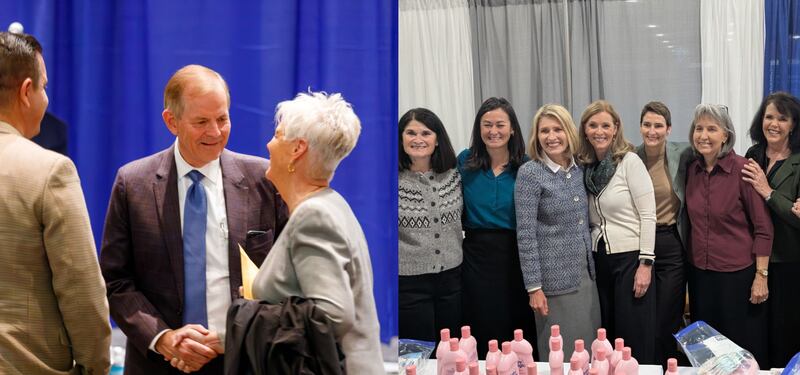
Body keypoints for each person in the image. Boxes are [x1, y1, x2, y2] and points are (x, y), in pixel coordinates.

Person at [100, 64, 288, 374]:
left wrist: (233, 336)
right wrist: (163, 338)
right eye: (201, 121)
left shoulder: (264, 180)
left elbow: (289, 279)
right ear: (171, 121)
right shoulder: (133, 184)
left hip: (244, 361)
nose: (215, 132)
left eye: (222, 119)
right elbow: (116, 281)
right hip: (159, 363)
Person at [0, 31, 111, 374]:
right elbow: (81, 289)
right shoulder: (50, 171)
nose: (46, 99)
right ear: (25, 91)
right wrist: (95, 365)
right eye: (44, 87)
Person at [251, 91, 384, 373]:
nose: (269, 144)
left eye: (277, 135)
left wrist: (249, 315)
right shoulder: (330, 205)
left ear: (297, 149)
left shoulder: (314, 215)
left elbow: (333, 315)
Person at [685, 104, 772, 366]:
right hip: (700, 274)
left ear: (725, 135)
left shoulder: (743, 170)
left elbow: (763, 228)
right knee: (707, 351)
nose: (704, 135)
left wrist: (761, 276)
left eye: (712, 129)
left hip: (737, 276)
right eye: (699, 128)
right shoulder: (692, 170)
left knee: (738, 350)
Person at [515, 104, 600, 357]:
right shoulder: (530, 174)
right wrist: (533, 287)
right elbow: (525, 235)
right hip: (552, 285)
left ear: (569, 132)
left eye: (558, 129)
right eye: (544, 131)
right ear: (536, 136)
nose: (551, 137)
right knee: (559, 354)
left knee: (590, 347)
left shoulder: (580, 168)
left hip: (586, 278)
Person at [576, 100, 657, 363]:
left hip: (630, 259)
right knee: (606, 335)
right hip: (599, 259)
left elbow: (648, 215)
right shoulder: (585, 167)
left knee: (632, 334)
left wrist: (645, 264)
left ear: (615, 129)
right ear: (585, 130)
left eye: (605, 126)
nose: (599, 131)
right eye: (593, 125)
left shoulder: (629, 161)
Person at [458, 97, 534, 357]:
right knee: (481, 325)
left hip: (516, 256)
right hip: (476, 256)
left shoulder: (526, 166)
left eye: (500, 124)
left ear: (512, 128)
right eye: (487, 124)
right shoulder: (464, 162)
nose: (493, 131)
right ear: (479, 129)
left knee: (516, 327)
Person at [741, 92, 800, 368]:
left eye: (782, 118)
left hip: (789, 262)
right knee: (755, 334)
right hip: (753, 259)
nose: (774, 124)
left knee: (785, 334)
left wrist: (768, 192)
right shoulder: (753, 155)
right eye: (769, 117)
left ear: (793, 125)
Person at [634, 101, 693, 365]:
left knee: (667, 317)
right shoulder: (630, 158)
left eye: (658, 125)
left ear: (669, 129)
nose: (652, 131)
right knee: (641, 315)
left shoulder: (683, 153)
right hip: (637, 244)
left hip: (670, 242)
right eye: (647, 125)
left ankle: (668, 366)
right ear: (640, 127)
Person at [398, 108, 463, 343]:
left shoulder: (454, 175)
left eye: (426, 133)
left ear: (437, 140)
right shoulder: (390, 180)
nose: (418, 139)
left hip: (452, 279)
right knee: (418, 352)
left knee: (452, 349)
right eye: (410, 133)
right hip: (409, 283)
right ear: (401, 138)